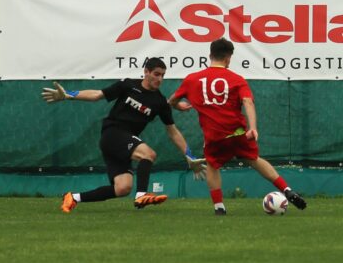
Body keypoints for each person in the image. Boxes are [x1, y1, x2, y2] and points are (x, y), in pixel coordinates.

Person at [42, 57, 206, 213]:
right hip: (112, 133)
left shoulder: (160, 102)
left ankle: (73, 198)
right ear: (146, 72)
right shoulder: (128, 85)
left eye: (163, 75)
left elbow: (172, 131)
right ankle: (141, 196)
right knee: (148, 154)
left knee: (122, 188)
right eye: (156, 74)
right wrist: (69, 95)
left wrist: (188, 155)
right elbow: (97, 95)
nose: (160, 79)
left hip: (125, 142)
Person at [167, 37, 307, 215]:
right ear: (228, 58)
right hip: (237, 132)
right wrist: (253, 127)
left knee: (212, 165)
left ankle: (219, 207)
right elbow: (248, 102)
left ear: (210, 55)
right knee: (255, 159)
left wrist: (178, 106)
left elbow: (171, 100)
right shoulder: (237, 79)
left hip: (214, 136)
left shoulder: (192, 79)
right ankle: (286, 189)